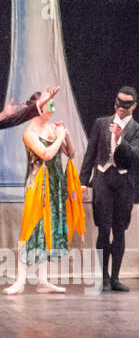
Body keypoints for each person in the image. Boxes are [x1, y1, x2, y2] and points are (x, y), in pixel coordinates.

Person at [5, 93, 83, 295]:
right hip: (38, 186)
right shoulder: (30, 133)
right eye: (49, 106)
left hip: (55, 185)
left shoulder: (51, 128)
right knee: (32, 229)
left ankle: (43, 281)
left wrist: (66, 135)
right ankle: (20, 280)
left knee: (49, 231)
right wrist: (58, 137)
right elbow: (46, 154)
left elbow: (71, 153)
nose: (51, 111)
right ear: (38, 108)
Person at [82, 86, 139, 293]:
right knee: (103, 229)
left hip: (123, 183)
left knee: (119, 231)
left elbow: (136, 158)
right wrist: (83, 182)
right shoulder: (101, 124)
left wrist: (121, 141)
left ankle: (116, 277)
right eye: (118, 102)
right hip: (102, 179)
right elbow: (90, 153)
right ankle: (104, 278)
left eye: (126, 104)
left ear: (134, 106)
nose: (120, 107)